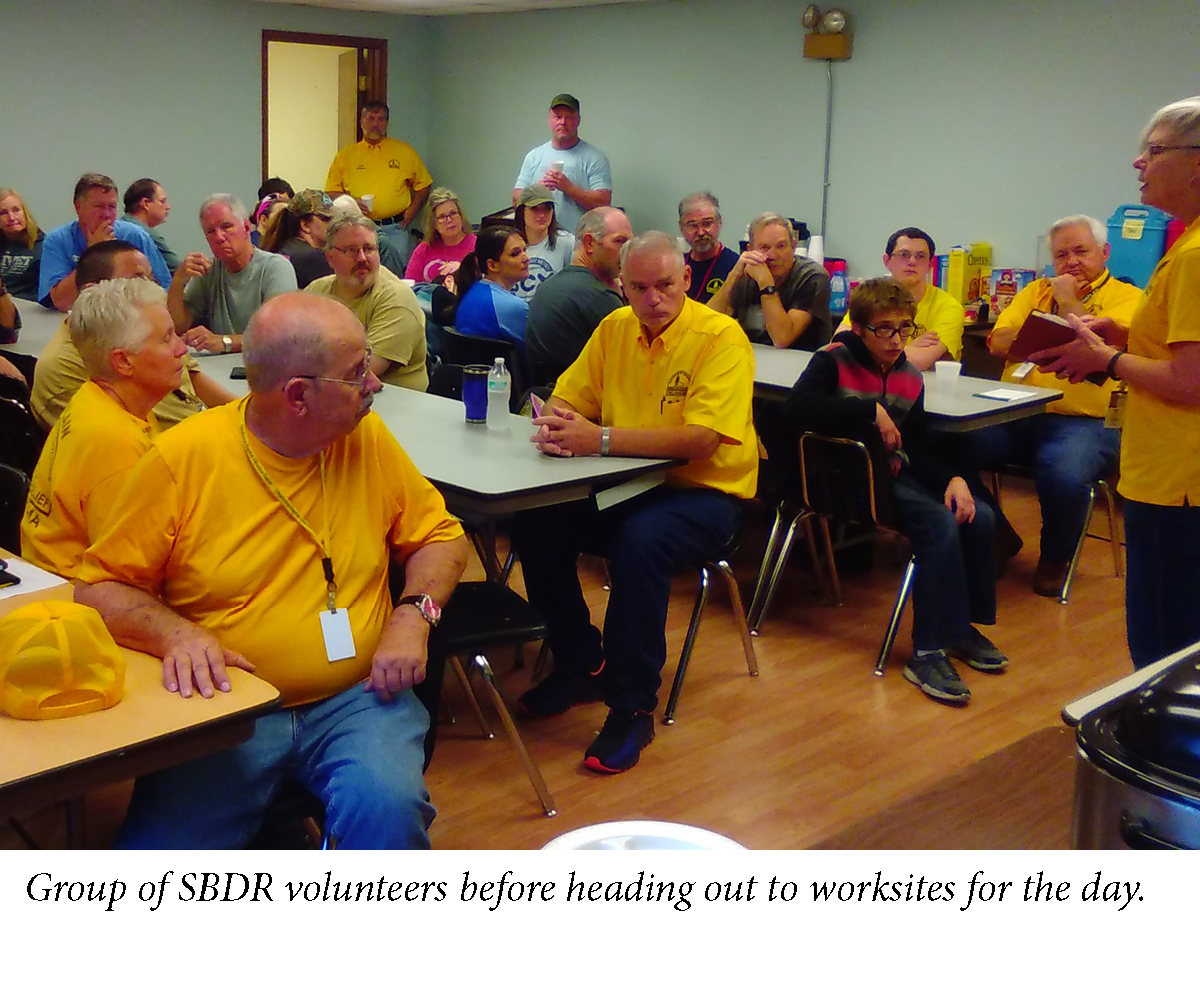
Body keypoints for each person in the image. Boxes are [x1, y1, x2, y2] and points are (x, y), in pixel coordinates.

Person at [74, 292, 469, 849]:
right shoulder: (181, 460)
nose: (374, 384)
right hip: (229, 708)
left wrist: (414, 615)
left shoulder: (365, 438)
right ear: (298, 395)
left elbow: (441, 536)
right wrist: (177, 633)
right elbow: (99, 588)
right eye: (357, 373)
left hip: (358, 699)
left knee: (386, 809)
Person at [512, 231, 757, 774]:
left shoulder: (721, 338)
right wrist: (555, 422)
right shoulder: (615, 328)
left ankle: (632, 704)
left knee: (639, 543)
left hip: (704, 493)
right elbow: (568, 396)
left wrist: (597, 438)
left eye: (665, 285)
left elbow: (701, 441)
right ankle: (581, 660)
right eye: (639, 288)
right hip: (630, 484)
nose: (653, 299)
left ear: (686, 280)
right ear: (621, 286)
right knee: (534, 517)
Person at [1028, 96, 1200, 669]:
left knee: (1163, 645)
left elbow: (1190, 380)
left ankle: (1160, 755)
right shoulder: (1187, 245)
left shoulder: (1196, 255)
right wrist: (1124, 334)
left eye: (1154, 150)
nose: (1138, 163)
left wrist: (1105, 359)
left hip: (1177, 479)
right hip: (1178, 473)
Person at [784, 278, 1006, 705]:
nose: (895, 339)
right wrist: (868, 409)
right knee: (938, 523)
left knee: (978, 513)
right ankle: (926, 652)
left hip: (890, 473)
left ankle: (958, 627)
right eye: (883, 329)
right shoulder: (833, 359)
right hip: (843, 477)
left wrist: (952, 479)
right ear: (861, 328)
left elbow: (917, 445)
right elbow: (797, 409)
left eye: (904, 328)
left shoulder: (907, 374)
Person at [964, 216, 1140, 597]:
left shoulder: (1129, 299)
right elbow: (998, 341)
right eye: (1061, 255)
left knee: (1063, 472)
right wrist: (1054, 329)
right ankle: (998, 535)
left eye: (1081, 251)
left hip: (1085, 422)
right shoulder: (1033, 291)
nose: (1071, 262)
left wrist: (1065, 304)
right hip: (1016, 410)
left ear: (1104, 253)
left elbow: (1094, 346)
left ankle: (1056, 558)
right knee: (950, 442)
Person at [22, 279, 186, 578]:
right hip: (78, 599)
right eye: (166, 339)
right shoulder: (116, 443)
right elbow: (132, 574)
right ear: (123, 362)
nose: (182, 348)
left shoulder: (96, 398)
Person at [31, 241, 234, 430]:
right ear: (92, 294)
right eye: (137, 280)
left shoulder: (148, 330)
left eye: (151, 279)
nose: (151, 289)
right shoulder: (62, 368)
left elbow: (196, 381)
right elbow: (133, 451)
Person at [308, 214, 428, 391]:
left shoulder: (396, 299)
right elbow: (289, 347)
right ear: (330, 258)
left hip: (393, 405)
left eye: (369, 248)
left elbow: (358, 373)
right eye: (351, 250)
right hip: (332, 397)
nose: (362, 258)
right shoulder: (317, 292)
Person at [167, 194, 297, 355]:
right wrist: (178, 282)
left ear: (247, 228)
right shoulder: (209, 270)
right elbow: (179, 326)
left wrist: (223, 341)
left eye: (226, 226)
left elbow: (277, 334)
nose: (219, 237)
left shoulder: (276, 268)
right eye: (210, 231)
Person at [525, 206, 631, 387]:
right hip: (582, 403)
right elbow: (633, 362)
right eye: (620, 241)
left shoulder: (549, 286)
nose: (627, 251)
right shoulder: (599, 297)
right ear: (589, 243)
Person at [834, 227, 965, 370]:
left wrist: (872, 346)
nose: (912, 261)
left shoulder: (949, 307)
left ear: (929, 265)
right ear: (887, 260)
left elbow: (920, 361)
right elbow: (841, 344)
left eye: (920, 256)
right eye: (904, 255)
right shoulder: (871, 297)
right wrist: (910, 348)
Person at [37, 173, 170, 310]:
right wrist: (92, 255)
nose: (106, 214)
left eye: (112, 207)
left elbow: (164, 290)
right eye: (99, 206)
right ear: (78, 207)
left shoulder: (134, 235)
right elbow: (60, 302)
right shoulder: (58, 240)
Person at [325, 101, 433, 264]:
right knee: (361, 271)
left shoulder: (404, 152)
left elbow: (424, 185)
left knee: (396, 275)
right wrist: (352, 203)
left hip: (396, 229)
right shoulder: (346, 156)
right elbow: (331, 192)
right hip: (357, 227)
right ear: (361, 121)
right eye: (371, 118)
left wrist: (412, 210)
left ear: (387, 123)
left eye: (381, 119)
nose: (375, 124)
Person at [707, 212, 831, 350]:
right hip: (752, 357)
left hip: (801, 361)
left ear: (794, 246)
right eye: (764, 248)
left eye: (781, 246)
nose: (773, 255)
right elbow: (707, 324)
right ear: (750, 250)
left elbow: (782, 339)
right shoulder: (746, 273)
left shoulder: (812, 277)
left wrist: (766, 284)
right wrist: (734, 275)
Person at [513, 94, 612, 235]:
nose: (563, 122)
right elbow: (516, 199)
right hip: (539, 241)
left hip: (579, 242)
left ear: (578, 120)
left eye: (569, 117)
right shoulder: (534, 156)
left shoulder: (595, 158)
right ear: (550, 120)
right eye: (558, 117)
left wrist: (568, 188)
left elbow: (603, 202)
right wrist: (538, 191)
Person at [454, 225, 530, 345]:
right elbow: (538, 354)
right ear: (492, 265)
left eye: (524, 250)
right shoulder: (513, 307)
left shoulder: (474, 291)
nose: (526, 258)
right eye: (515, 254)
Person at [260, 189, 335, 288]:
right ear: (305, 225)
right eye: (326, 219)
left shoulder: (278, 247)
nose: (333, 224)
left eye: (334, 218)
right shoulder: (314, 258)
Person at [513, 183, 575, 302]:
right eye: (534, 208)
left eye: (547, 208)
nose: (542, 215)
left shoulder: (566, 242)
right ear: (521, 212)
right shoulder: (509, 243)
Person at [404, 188, 476, 288]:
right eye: (442, 217)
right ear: (433, 223)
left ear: (461, 215)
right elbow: (409, 286)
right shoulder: (423, 249)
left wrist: (464, 269)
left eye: (453, 213)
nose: (450, 220)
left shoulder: (477, 245)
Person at [678, 191, 739, 304]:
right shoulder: (676, 266)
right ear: (681, 228)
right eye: (693, 225)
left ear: (719, 223)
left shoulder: (736, 266)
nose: (701, 232)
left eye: (707, 223)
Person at [121, 178, 181, 274]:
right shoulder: (146, 234)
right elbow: (178, 269)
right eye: (162, 201)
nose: (168, 206)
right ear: (145, 204)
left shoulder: (119, 227)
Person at [0, 188, 45, 300]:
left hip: (29, 307)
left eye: (16, 210)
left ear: (25, 213)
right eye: (3, 213)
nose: (11, 218)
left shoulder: (43, 245)